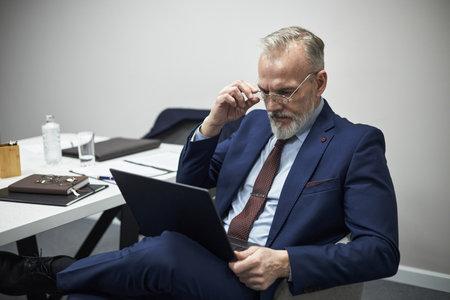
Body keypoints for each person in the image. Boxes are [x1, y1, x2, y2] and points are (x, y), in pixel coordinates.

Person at [0, 26, 399, 300]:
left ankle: (41, 273)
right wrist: (211, 126)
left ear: (320, 82)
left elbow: (380, 251)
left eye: (285, 93)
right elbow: (193, 183)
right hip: (208, 249)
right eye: (264, 92)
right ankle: (60, 276)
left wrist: (285, 262)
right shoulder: (254, 124)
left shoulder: (356, 142)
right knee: (92, 293)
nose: (273, 106)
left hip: (254, 276)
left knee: (165, 250)